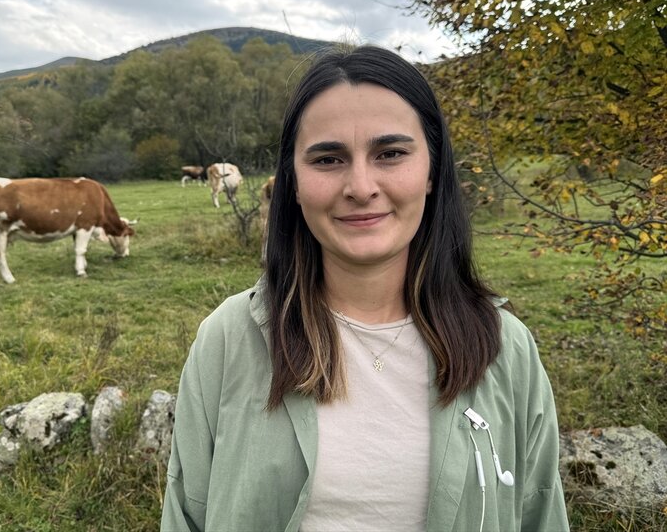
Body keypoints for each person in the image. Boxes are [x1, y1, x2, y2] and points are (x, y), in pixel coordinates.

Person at [161, 45, 569, 532]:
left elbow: (540, 514)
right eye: (329, 158)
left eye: (390, 153)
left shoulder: (506, 348)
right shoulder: (228, 339)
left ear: (433, 169)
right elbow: (186, 514)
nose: (360, 185)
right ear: (292, 182)